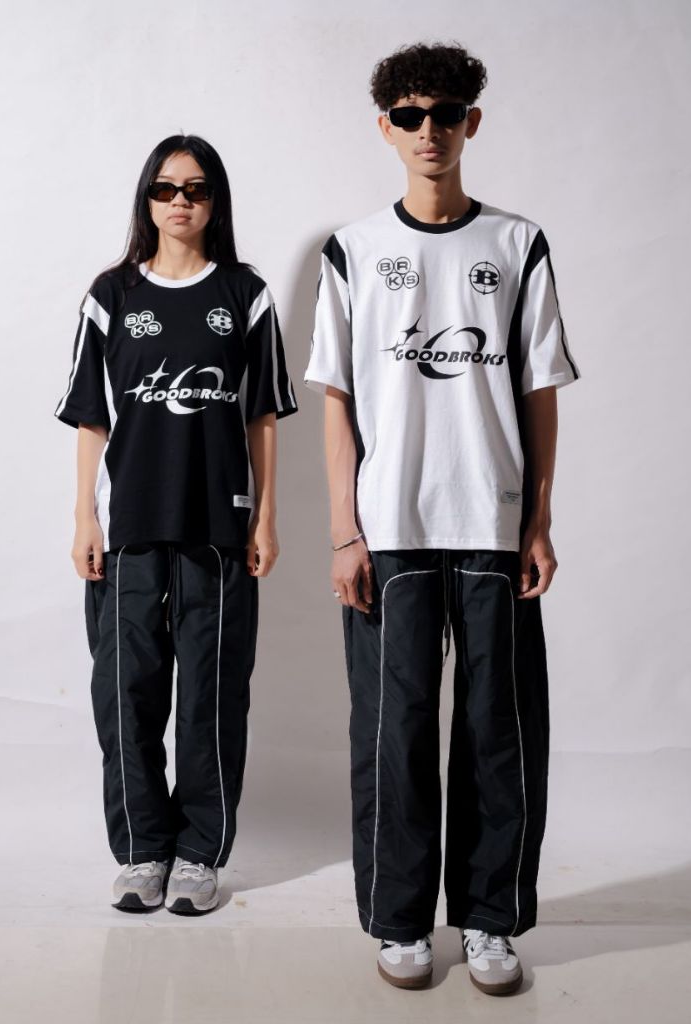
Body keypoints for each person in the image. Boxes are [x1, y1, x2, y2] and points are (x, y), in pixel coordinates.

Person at [304, 43, 580, 993]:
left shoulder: (517, 244)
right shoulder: (351, 250)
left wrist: (538, 519)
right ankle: (398, 922)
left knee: (500, 731)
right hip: (391, 528)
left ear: (473, 123)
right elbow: (336, 399)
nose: (432, 131)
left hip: (493, 527)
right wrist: (344, 530)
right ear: (386, 127)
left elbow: (540, 389)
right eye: (412, 116)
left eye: (448, 114)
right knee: (396, 732)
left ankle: (491, 921)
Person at [55, 135, 297, 915]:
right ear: (147, 200)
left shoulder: (245, 294)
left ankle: (198, 853)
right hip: (129, 527)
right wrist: (84, 515)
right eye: (165, 188)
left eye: (195, 188)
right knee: (125, 692)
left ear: (215, 200)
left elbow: (262, 415)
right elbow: (91, 417)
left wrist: (266, 514)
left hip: (219, 526)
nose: (180, 201)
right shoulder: (112, 295)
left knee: (211, 695)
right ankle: (142, 850)